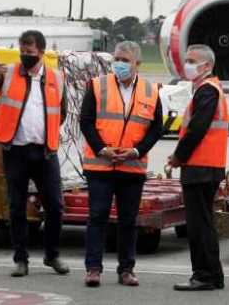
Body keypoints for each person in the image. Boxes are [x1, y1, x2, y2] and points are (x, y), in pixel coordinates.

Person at [0, 30, 69, 278]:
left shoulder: (57, 78)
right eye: (22, 51)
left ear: (41, 52)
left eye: (30, 52)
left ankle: (52, 255)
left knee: (56, 207)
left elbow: (63, 111)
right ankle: (21, 259)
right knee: (16, 207)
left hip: (45, 151)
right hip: (15, 150)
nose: (25, 56)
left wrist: (46, 133)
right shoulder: (7, 74)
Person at [79, 41, 163, 288]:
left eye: (125, 60)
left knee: (128, 220)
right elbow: (86, 121)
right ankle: (93, 268)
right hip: (100, 166)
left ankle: (126, 269)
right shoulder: (97, 85)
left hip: (132, 166)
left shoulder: (151, 90)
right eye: (117, 59)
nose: (119, 64)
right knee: (97, 217)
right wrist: (102, 149)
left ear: (137, 64)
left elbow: (156, 128)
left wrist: (136, 151)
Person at [169, 45, 228, 291]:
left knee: (198, 224)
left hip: (199, 166)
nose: (187, 65)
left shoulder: (206, 90)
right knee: (204, 223)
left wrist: (178, 157)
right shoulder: (209, 89)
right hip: (208, 165)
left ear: (207, 66)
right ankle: (212, 274)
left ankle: (204, 275)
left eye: (192, 61)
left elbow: (197, 129)